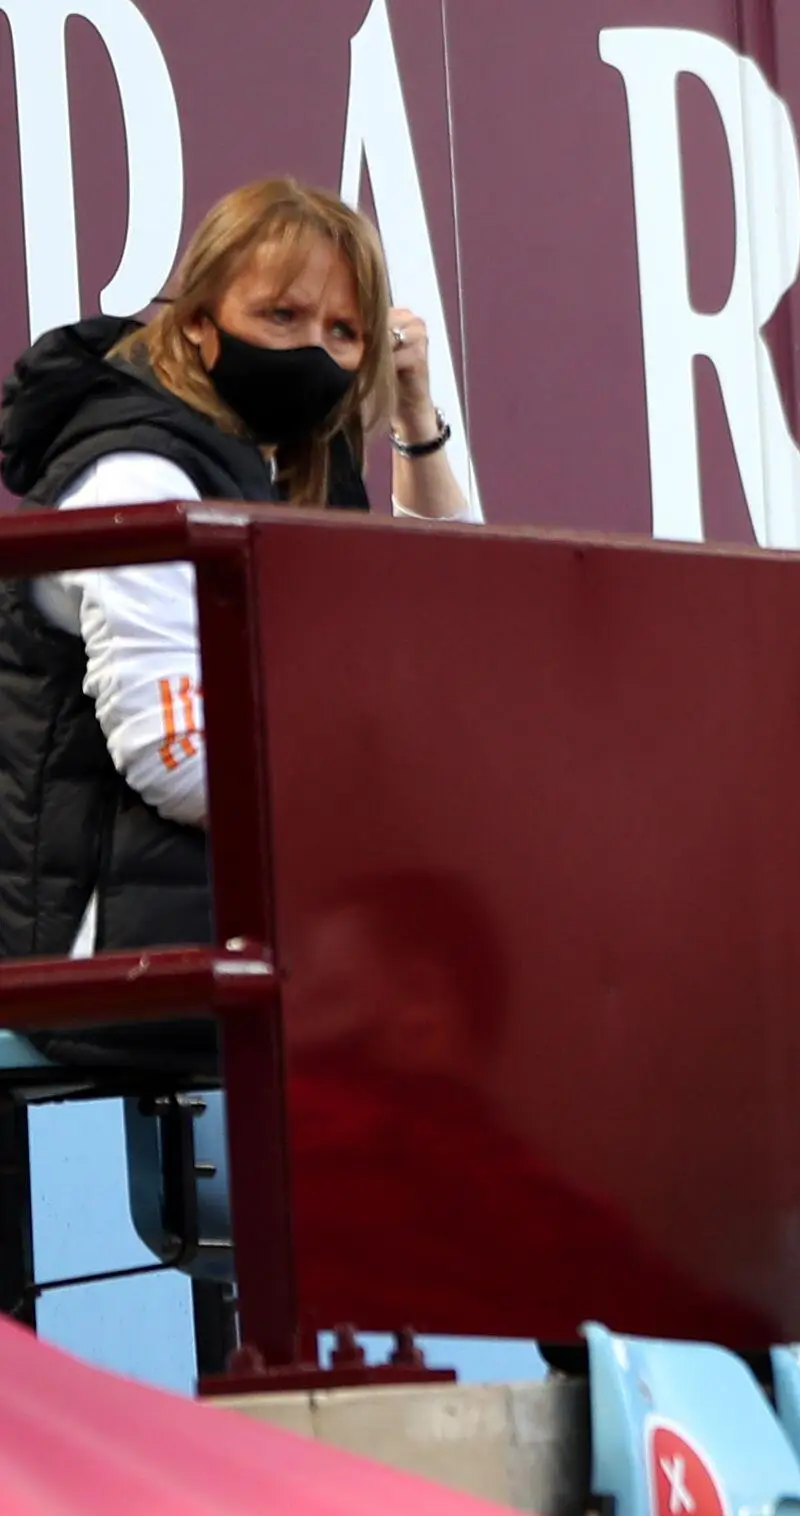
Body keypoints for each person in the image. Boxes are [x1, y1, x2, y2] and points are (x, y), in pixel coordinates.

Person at [0, 176, 479, 1002]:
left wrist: (413, 410)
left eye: (344, 332)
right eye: (280, 318)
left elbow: (455, 612)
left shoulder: (280, 468)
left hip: (245, 937)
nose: (311, 353)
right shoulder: (136, 472)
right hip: (112, 954)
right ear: (197, 324)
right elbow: (175, 759)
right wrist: (389, 796)